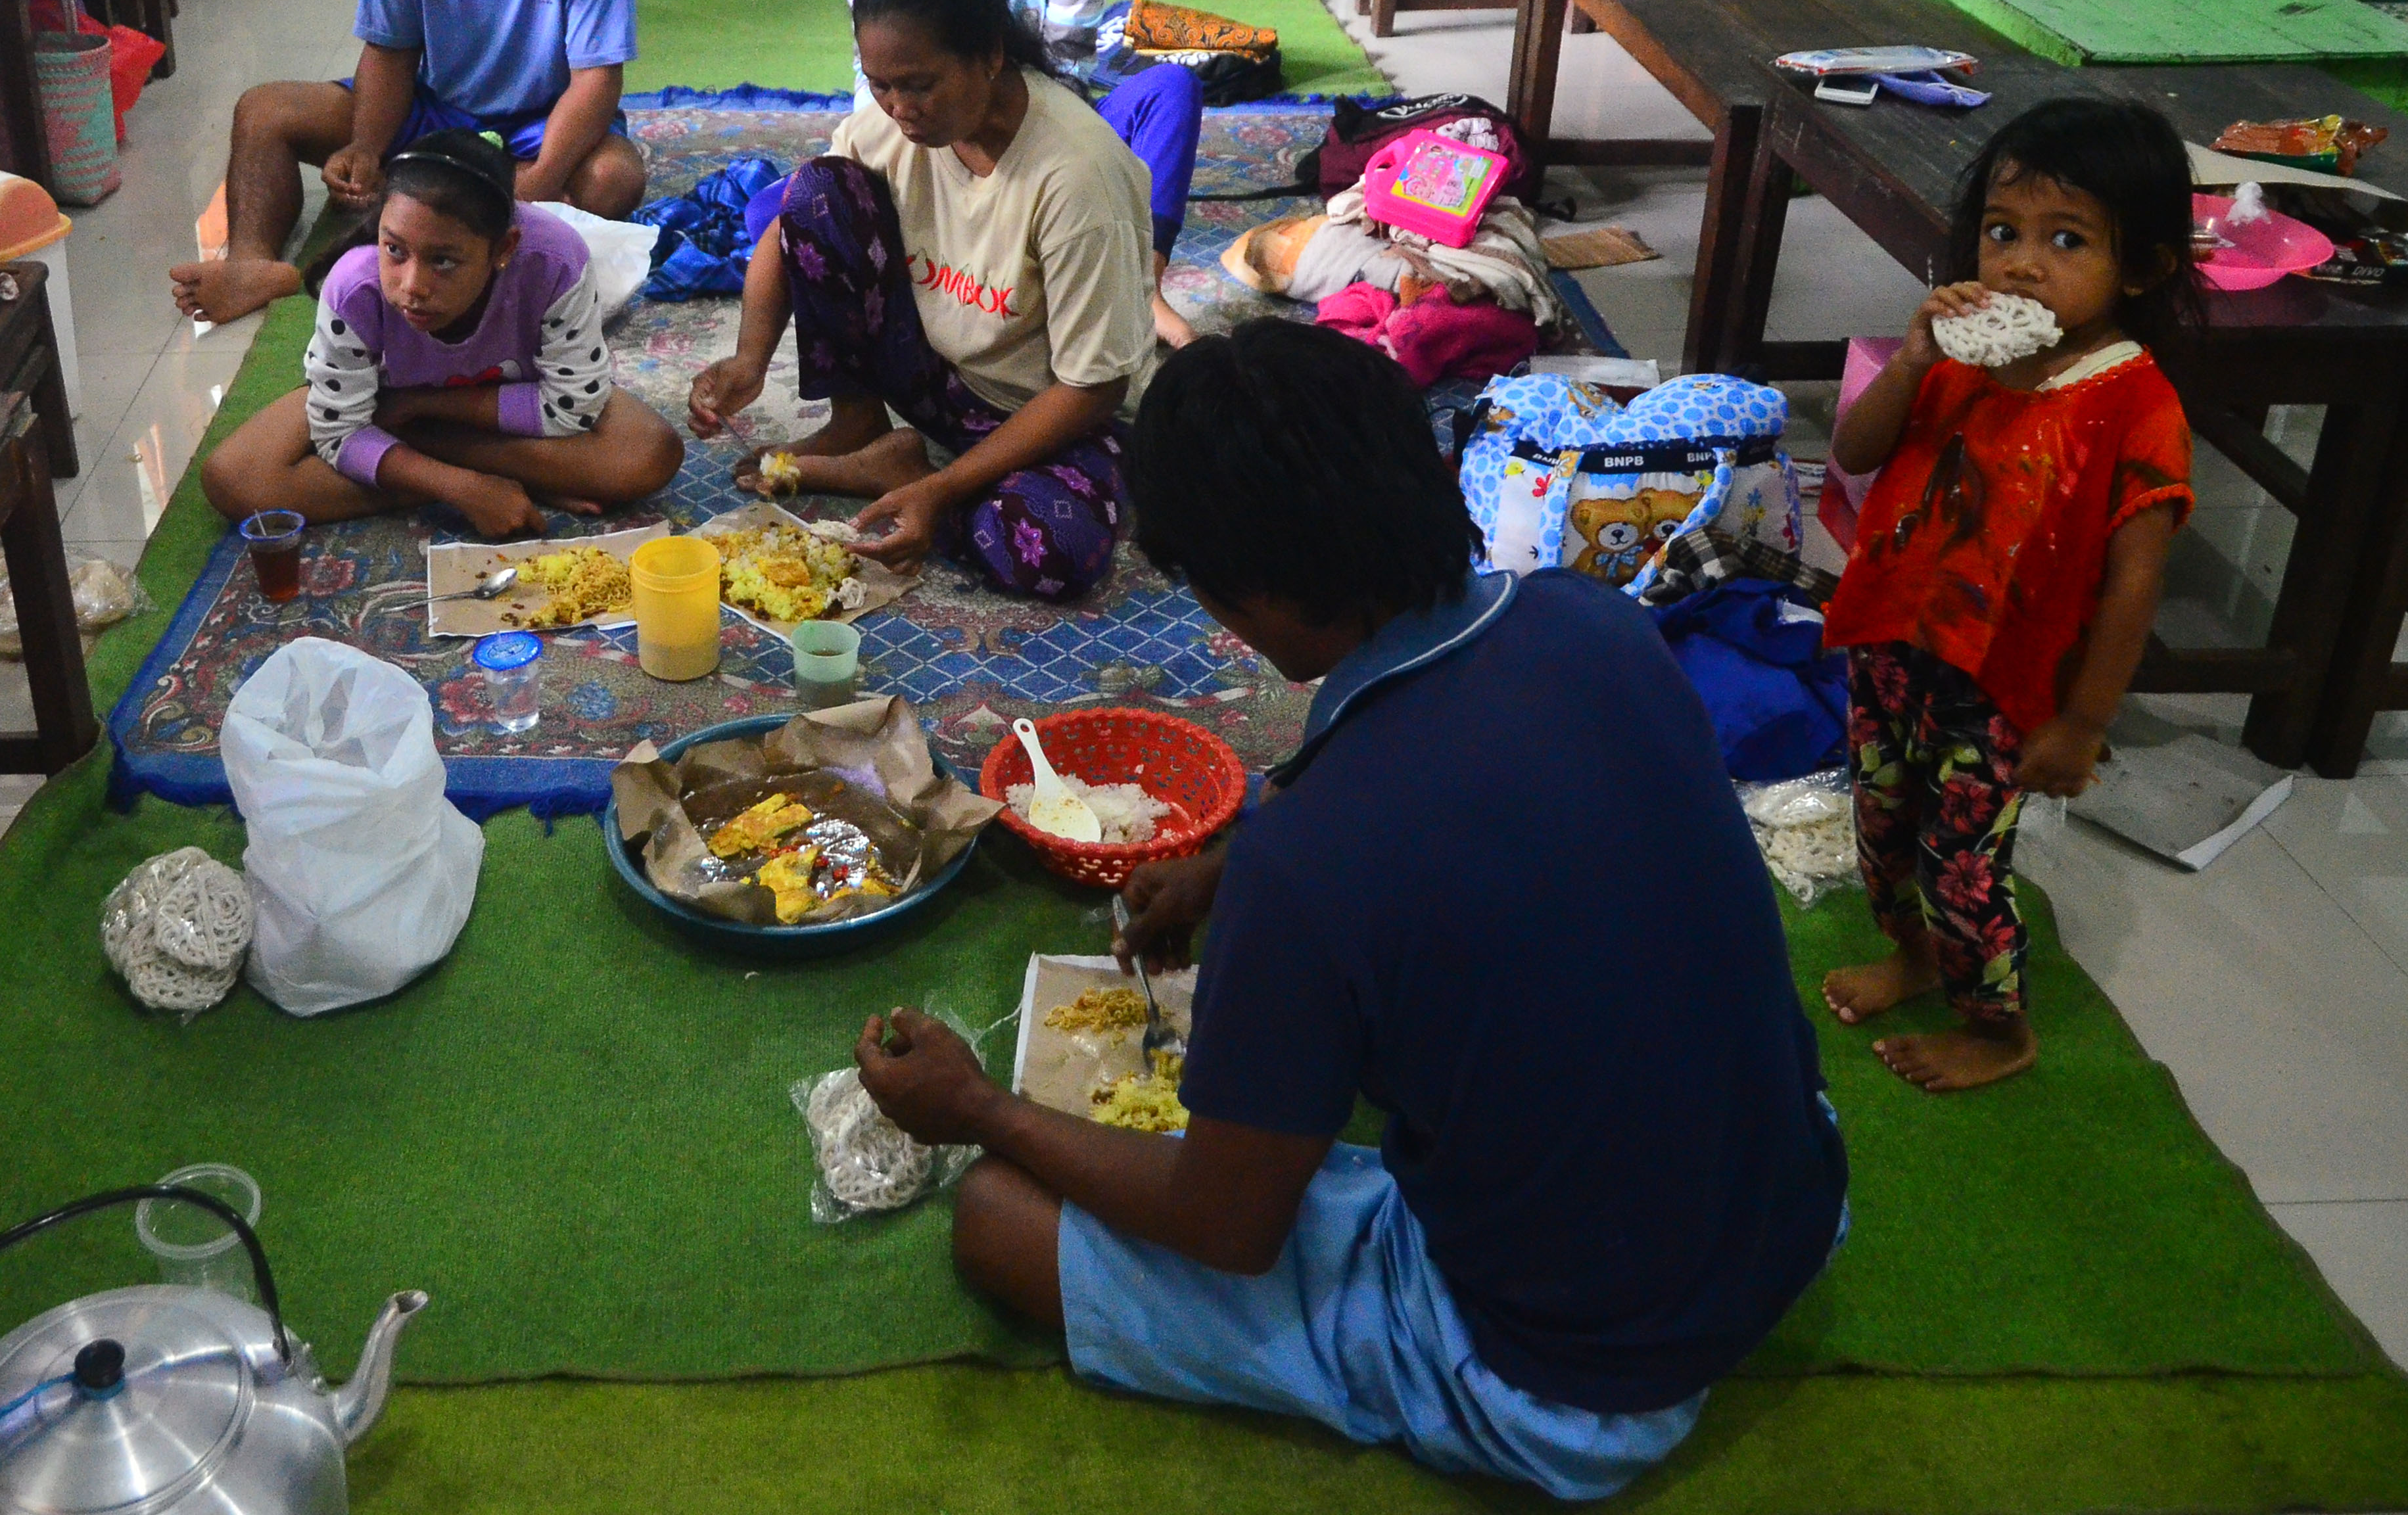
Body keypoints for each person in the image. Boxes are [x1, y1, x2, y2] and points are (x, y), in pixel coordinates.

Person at [852, 321, 1848, 1501]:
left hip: (1577, 1382)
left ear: (1246, 594)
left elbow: (1226, 1222)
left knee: (997, 1219)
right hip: (1788, 1210)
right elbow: (1448, 795)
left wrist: (976, 1107)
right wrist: (1235, 857)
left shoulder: (1313, 868)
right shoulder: (1594, 624)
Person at [1820, 97, 2198, 1093]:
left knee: (1964, 865)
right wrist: (1908, 361)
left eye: (2066, 240)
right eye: (2002, 233)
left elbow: (2136, 581)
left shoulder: (2133, 404)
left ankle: (1997, 1029)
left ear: (2145, 268)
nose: (2021, 264)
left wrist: (2081, 723)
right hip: (1891, 649)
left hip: (1996, 688)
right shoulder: (1958, 360)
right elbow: (1855, 455)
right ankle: (1911, 957)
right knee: (1882, 828)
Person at [688, 0, 1154, 600]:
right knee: (819, 190)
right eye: (880, 85)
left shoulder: (1077, 178)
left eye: (919, 84)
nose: (899, 106)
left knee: (1047, 554)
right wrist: (747, 361)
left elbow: (1093, 387)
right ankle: (862, 430)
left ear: (990, 56)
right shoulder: (896, 128)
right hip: (940, 380)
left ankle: (903, 473)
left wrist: (939, 489)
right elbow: (785, 228)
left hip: (1056, 417)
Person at [172, 0, 645, 325]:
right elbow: (391, 52)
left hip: (541, 122)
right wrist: (367, 146)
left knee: (612, 180)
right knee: (265, 111)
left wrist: (541, 179)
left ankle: (438, 201)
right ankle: (252, 264)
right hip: (435, 112)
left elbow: (595, 81)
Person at [198, 130, 682, 538]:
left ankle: (447, 456)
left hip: (482, 399)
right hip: (383, 397)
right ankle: (523, 472)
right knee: (236, 480)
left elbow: (574, 405)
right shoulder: (357, 285)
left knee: (649, 454)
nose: (411, 288)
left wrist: (423, 408)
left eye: (444, 261)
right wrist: (461, 488)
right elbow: (340, 428)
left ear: (504, 249)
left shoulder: (554, 260)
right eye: (394, 249)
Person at [847, 0, 1208, 348]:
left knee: (1174, 90)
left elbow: (1065, 81)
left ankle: (1141, 287)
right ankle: (922, 299)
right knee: (784, 213)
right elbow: (876, 83)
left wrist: (1015, 175)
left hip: (1031, 126)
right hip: (928, 134)